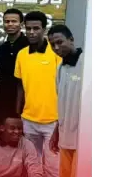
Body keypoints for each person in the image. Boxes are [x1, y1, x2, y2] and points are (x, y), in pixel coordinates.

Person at [14, 11, 61, 169]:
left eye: (36, 28)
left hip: (53, 120)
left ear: (44, 30)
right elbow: (20, 85)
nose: (32, 32)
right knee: (32, 165)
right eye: (28, 28)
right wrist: (17, 113)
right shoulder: (22, 54)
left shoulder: (56, 53)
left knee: (53, 167)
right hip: (28, 119)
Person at [48, 25, 83, 177]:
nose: (56, 48)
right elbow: (62, 104)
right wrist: (57, 130)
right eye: (52, 44)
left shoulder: (87, 63)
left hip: (83, 138)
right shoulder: (60, 69)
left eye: (60, 42)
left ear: (71, 39)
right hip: (65, 136)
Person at [0, 8, 29, 124]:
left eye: (14, 21)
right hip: (3, 101)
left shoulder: (29, 46)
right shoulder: (1, 48)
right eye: (7, 21)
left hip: (25, 102)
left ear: (21, 24)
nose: (10, 24)